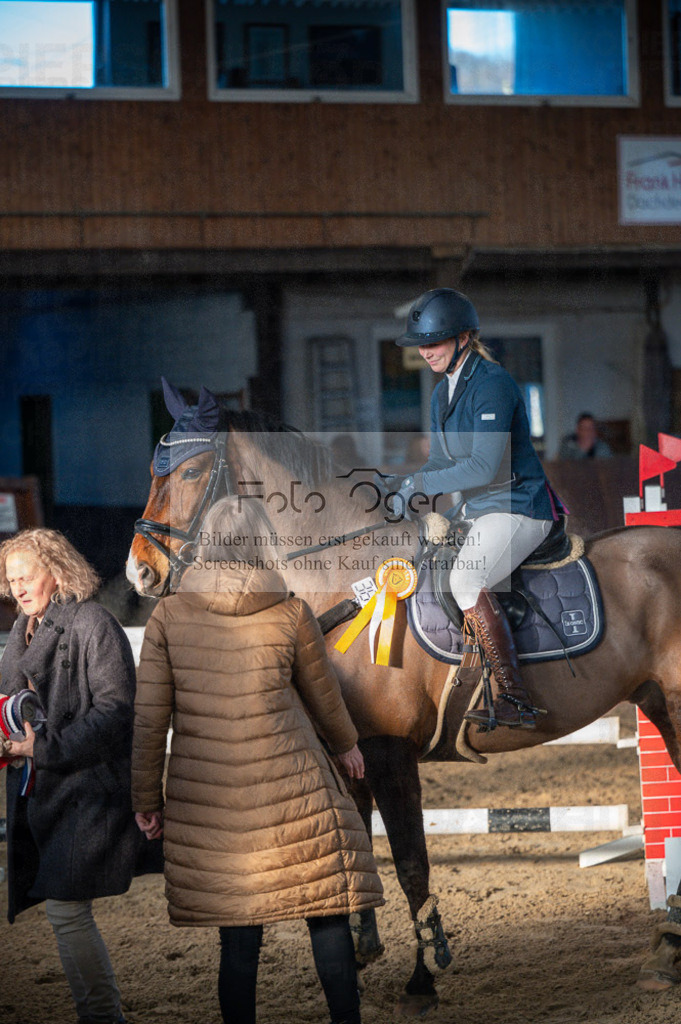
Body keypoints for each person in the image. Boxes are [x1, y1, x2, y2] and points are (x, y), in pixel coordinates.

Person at [131, 496, 384, 1024]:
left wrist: (146, 798)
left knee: (239, 941)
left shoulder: (168, 616)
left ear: (202, 543)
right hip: (296, 792)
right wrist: (347, 745)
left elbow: (150, 720)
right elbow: (323, 694)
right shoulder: (289, 608)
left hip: (215, 802)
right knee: (327, 915)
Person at [389, 287, 565, 729]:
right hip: (477, 511)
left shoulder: (493, 384)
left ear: (463, 338)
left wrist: (420, 482)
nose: (426, 352)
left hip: (518, 507)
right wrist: (403, 482)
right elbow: (441, 464)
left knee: (466, 580)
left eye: (435, 342)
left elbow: (484, 467)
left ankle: (514, 697)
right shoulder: (440, 395)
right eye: (421, 344)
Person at [0, 528, 139, 1024]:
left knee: (65, 911)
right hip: (45, 791)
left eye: (27, 575)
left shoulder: (92, 623)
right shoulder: (23, 632)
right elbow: (14, 706)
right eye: (11, 578)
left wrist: (46, 746)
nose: (17, 587)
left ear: (56, 571)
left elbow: (117, 710)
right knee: (65, 914)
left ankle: (103, 1016)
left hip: (90, 791)